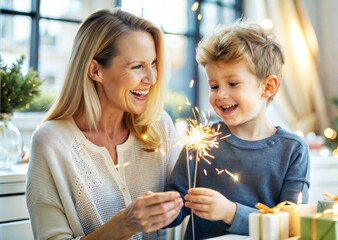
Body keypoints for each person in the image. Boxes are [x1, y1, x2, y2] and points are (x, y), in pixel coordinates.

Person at [26, 9, 183, 240]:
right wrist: (124, 225)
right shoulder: (51, 142)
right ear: (95, 70)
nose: (152, 78)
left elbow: (187, 204)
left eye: (153, 63)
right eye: (137, 66)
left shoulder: (159, 127)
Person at [166, 21, 310, 239]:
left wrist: (231, 213)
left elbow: (290, 225)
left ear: (267, 86)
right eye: (214, 86)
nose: (220, 95)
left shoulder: (293, 150)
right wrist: (161, 208)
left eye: (232, 83)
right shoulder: (202, 141)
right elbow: (177, 205)